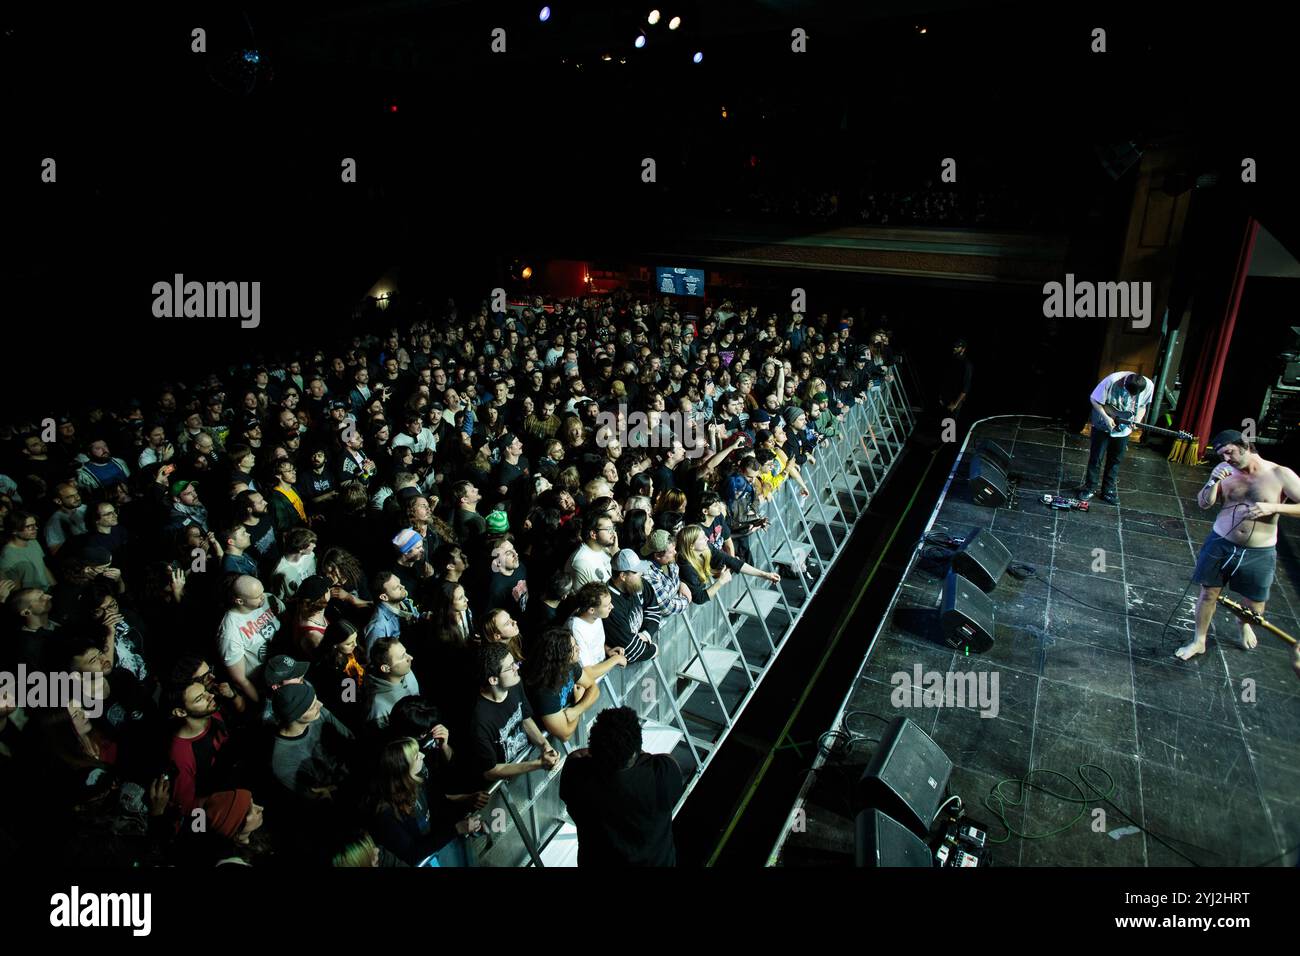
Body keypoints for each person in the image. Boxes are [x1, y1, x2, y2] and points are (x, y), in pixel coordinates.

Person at [1176, 430, 1300, 660]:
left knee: (1255, 609)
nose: (1227, 459)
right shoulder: (1227, 473)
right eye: (1222, 455)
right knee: (1208, 594)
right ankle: (1199, 641)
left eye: (1230, 452)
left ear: (1245, 446)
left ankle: (1242, 623)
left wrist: (1275, 508)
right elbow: (1204, 504)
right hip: (1221, 542)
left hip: (1259, 551)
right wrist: (1213, 481)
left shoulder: (1279, 474)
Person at [559, 706, 683, 866]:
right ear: (636, 749)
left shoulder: (577, 777)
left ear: (594, 749)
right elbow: (667, 758)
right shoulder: (663, 773)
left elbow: (575, 756)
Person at [363, 737, 483, 866]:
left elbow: (440, 804)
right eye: (416, 757)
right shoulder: (386, 815)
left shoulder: (417, 780)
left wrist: (465, 819)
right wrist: (456, 829)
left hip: (441, 845)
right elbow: (412, 854)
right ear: (404, 770)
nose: (422, 755)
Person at [471, 643, 560, 783]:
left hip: (526, 765)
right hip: (505, 782)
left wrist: (544, 745)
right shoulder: (480, 720)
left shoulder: (514, 684)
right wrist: (538, 764)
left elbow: (524, 718)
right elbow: (490, 771)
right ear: (493, 680)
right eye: (510, 667)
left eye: (514, 663)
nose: (516, 668)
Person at [526, 627, 625, 743]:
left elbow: (593, 688)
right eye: (573, 648)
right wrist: (578, 700)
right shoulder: (544, 691)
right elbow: (565, 735)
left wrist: (577, 709)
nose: (579, 649)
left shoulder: (570, 665)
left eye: (576, 644)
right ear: (562, 655)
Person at [1079, 371, 1153, 504]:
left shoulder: (1148, 386)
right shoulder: (1111, 381)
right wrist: (1106, 418)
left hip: (1123, 429)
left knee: (1115, 460)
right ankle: (1089, 488)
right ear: (1124, 384)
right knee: (1096, 458)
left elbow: (1142, 406)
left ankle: (1108, 491)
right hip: (1103, 422)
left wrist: (1137, 419)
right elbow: (1094, 399)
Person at [217, 575, 282, 702]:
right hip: (265, 684)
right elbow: (240, 679)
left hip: (285, 665)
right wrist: (261, 703)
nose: (263, 596)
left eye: (262, 591)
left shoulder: (268, 598)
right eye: (257, 596)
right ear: (240, 601)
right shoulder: (229, 632)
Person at [604, 549, 661, 664]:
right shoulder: (608, 605)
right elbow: (632, 650)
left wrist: (646, 634)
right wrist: (654, 649)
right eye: (636, 572)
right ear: (623, 576)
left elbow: (654, 611)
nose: (641, 573)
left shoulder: (638, 583)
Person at [364, 638, 420, 728]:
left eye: (406, 653)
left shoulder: (405, 671)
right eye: (402, 657)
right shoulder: (378, 708)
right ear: (386, 668)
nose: (410, 657)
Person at [564, 511, 617, 586]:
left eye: (613, 528)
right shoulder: (580, 563)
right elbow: (585, 597)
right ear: (593, 534)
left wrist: (615, 553)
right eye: (609, 529)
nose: (614, 533)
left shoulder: (607, 549)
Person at [43, 483, 88, 558]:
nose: (77, 498)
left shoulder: (86, 508)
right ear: (58, 501)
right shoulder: (53, 523)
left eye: (77, 494)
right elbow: (54, 551)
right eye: (71, 497)